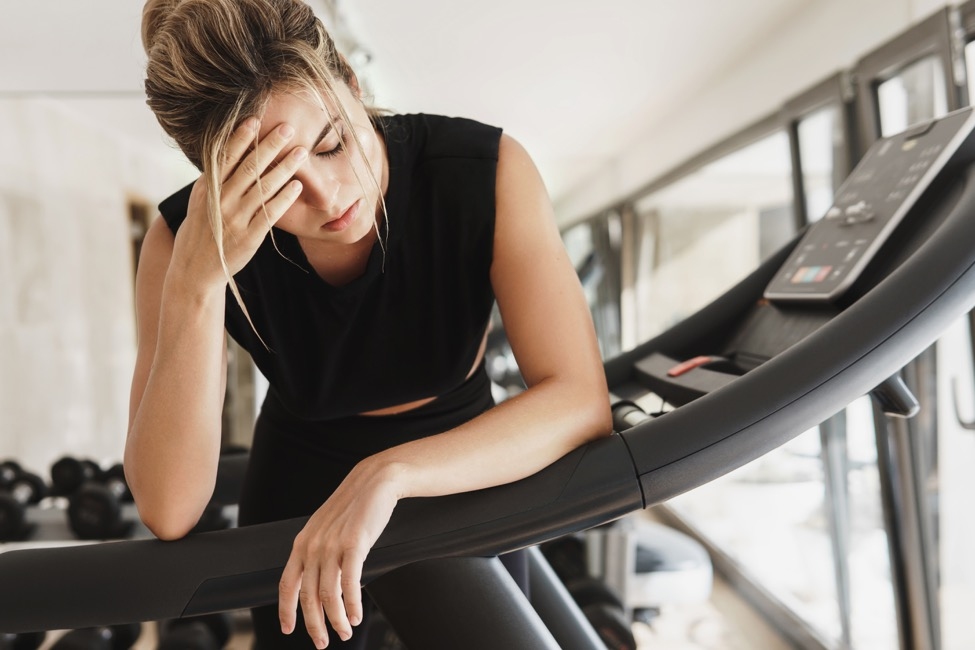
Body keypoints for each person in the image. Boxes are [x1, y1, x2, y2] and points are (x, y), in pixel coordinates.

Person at [126, 0, 612, 647]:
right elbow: (168, 509)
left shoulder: (483, 172)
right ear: (214, 184)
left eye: (331, 142)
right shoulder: (183, 241)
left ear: (352, 87)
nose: (328, 196)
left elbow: (580, 402)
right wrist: (196, 283)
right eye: (275, 185)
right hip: (297, 483)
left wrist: (388, 473)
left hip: (463, 465)